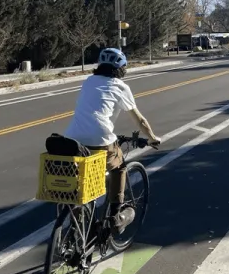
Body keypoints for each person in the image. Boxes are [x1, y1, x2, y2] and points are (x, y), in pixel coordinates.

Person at [64, 47, 161, 232]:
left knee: (84, 181)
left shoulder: (89, 81)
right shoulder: (120, 86)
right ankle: (116, 216)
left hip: (72, 140)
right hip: (100, 140)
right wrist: (153, 138)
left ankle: (76, 230)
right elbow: (140, 120)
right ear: (122, 68)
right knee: (120, 167)